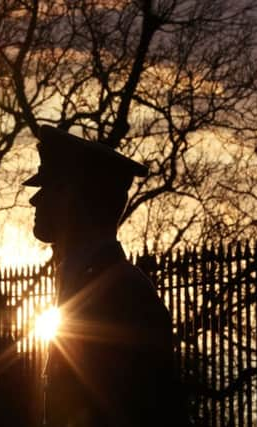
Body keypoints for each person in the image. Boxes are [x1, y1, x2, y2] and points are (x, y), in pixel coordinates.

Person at [24, 125, 187, 427]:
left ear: (78, 197)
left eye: (51, 187)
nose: (36, 201)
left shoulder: (122, 293)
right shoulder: (89, 284)